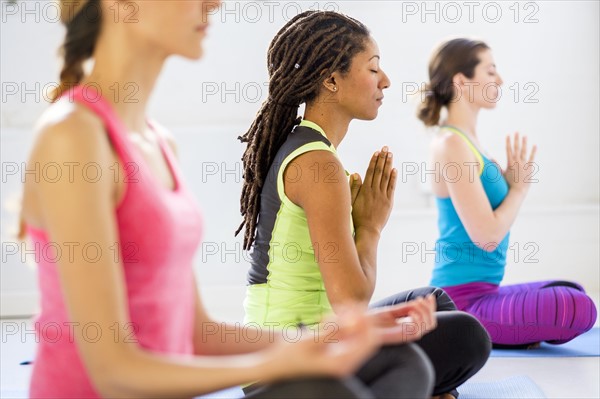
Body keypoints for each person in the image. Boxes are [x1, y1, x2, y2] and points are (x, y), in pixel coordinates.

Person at [17, 1, 401, 397]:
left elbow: (196, 334)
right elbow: (112, 372)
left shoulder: (159, 144)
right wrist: (278, 362)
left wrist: (338, 341)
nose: (213, 3)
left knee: (404, 364)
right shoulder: (73, 138)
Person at [236, 11, 491, 399]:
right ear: (331, 80)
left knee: (432, 303)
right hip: (285, 368)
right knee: (466, 335)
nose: (385, 80)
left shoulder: (308, 147)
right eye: (373, 69)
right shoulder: (318, 163)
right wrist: (369, 228)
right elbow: (351, 301)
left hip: (316, 339)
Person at [416, 37, 597, 347]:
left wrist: (511, 183)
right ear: (462, 81)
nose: (500, 80)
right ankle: (487, 331)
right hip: (459, 302)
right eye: (490, 71)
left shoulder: (468, 142)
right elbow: (487, 237)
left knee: (572, 289)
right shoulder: (451, 144)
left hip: (485, 291)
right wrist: (519, 188)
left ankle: (511, 330)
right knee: (578, 308)